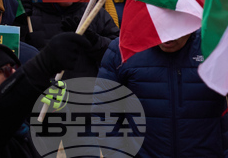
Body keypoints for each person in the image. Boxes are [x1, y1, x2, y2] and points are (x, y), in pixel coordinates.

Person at [96, 31, 228, 157]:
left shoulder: (217, 47)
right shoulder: (122, 49)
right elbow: (104, 112)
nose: (167, 37)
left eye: (176, 28)